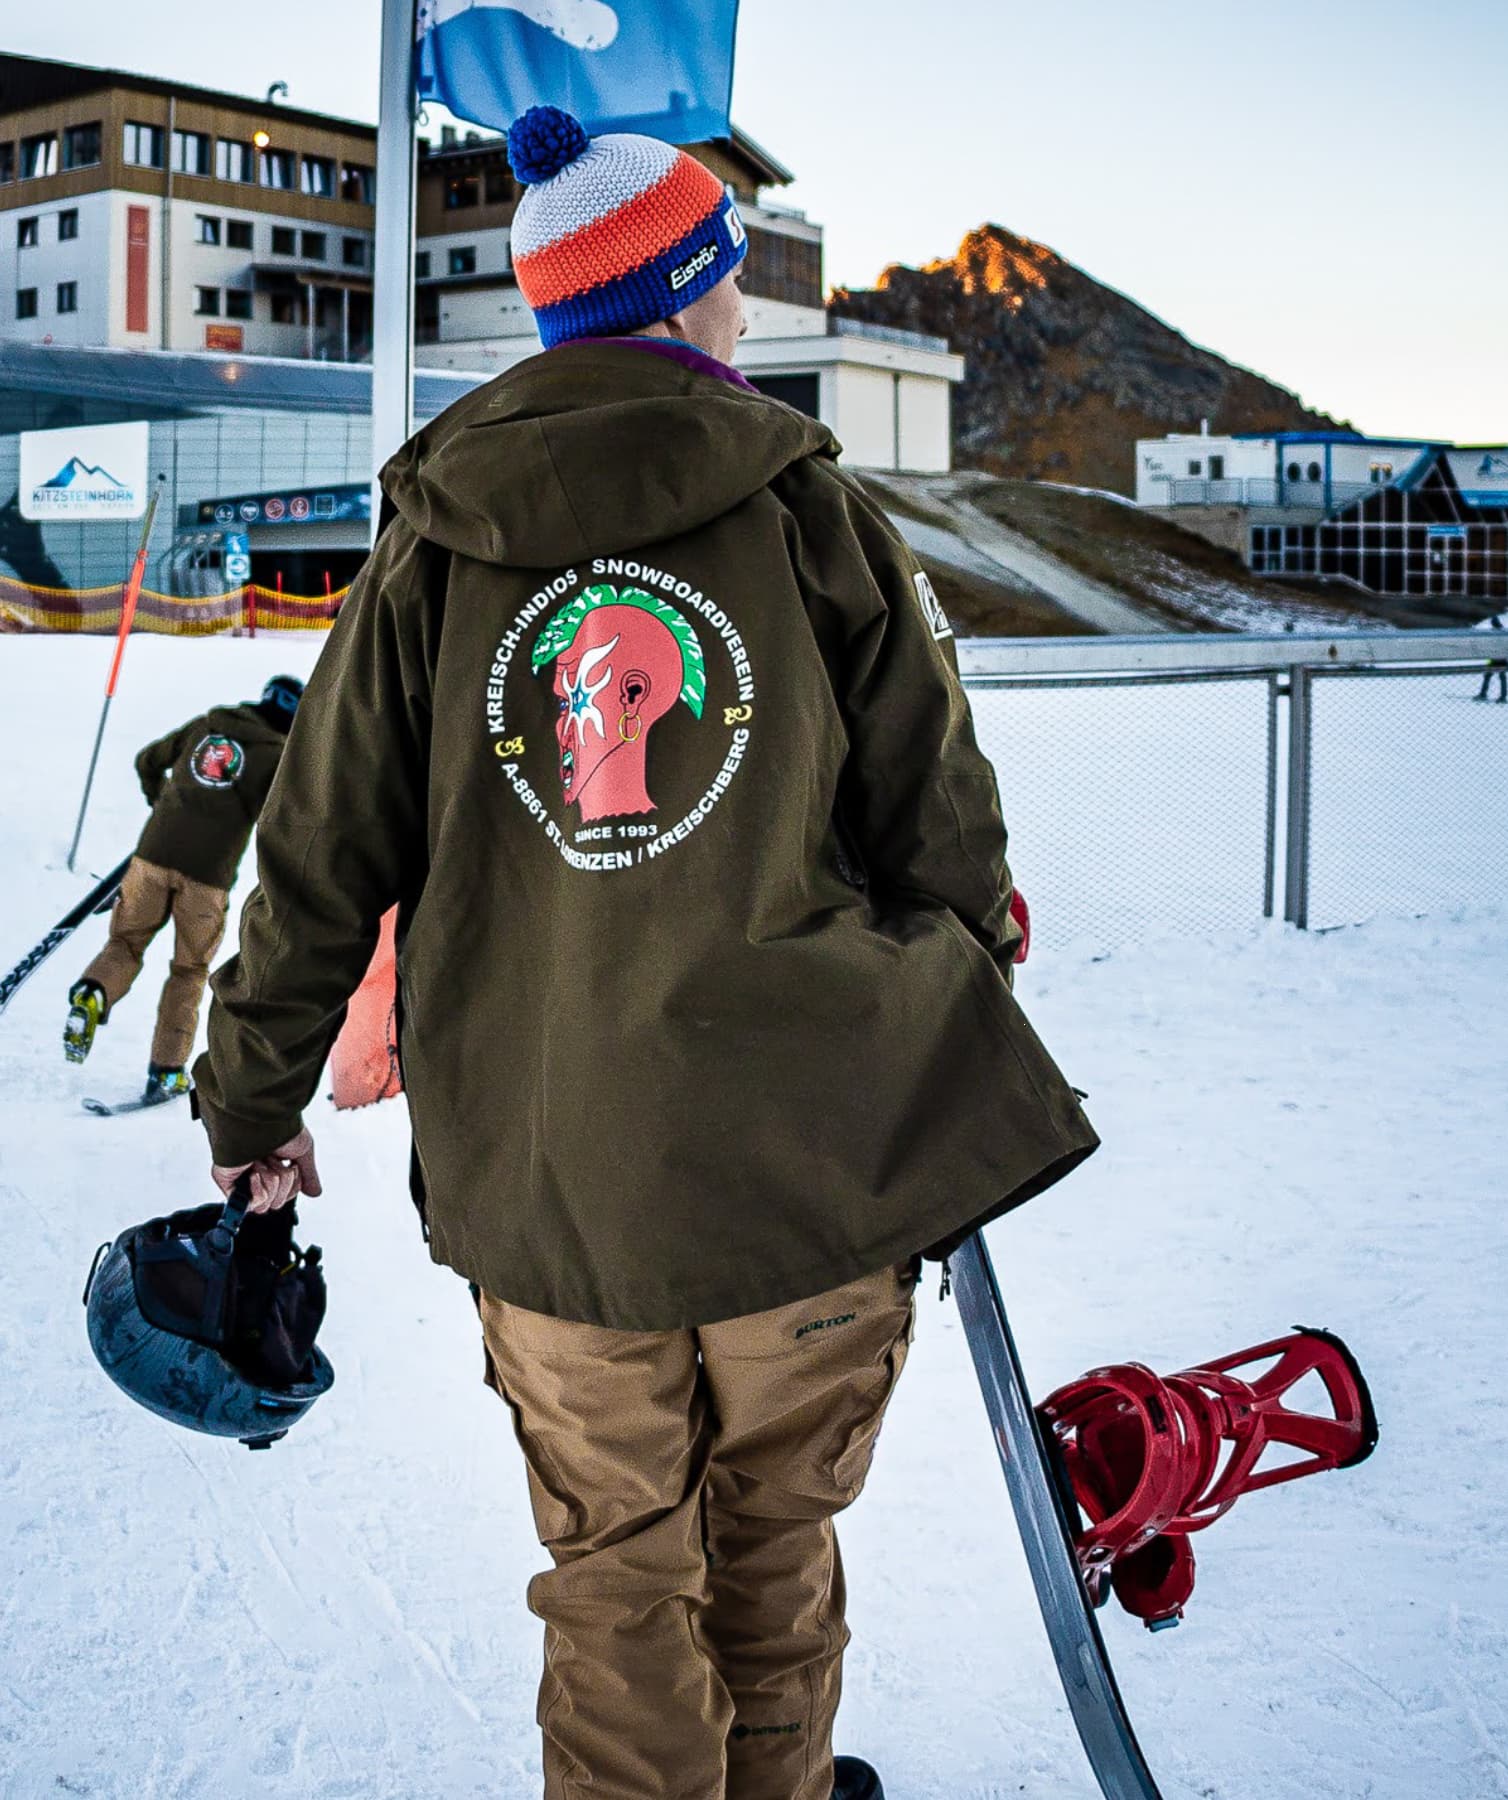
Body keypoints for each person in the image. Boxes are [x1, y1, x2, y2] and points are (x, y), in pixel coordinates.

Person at [192, 107, 1097, 1800]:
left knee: (617, 1570)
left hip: (553, 1187)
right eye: (729, 278)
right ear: (684, 298)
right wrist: (953, 1009)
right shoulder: (810, 512)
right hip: (810, 1174)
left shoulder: (432, 541)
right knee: (769, 1550)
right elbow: (941, 823)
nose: (742, 307)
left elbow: (320, 856)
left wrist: (250, 1097)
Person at [64, 674, 303, 1100]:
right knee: (189, 971)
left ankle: (93, 992)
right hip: (207, 878)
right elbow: (279, 820)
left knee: (125, 943)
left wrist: (164, 805)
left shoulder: (207, 726)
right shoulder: (278, 756)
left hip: (151, 857)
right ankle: (167, 1070)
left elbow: (147, 760)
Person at [1475, 615, 1506, 702]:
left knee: (1488, 676)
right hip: (1501, 658)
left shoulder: (1495, 632)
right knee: (1501, 676)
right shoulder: (1503, 631)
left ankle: (1483, 693)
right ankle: (1502, 696)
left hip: (1495, 658)